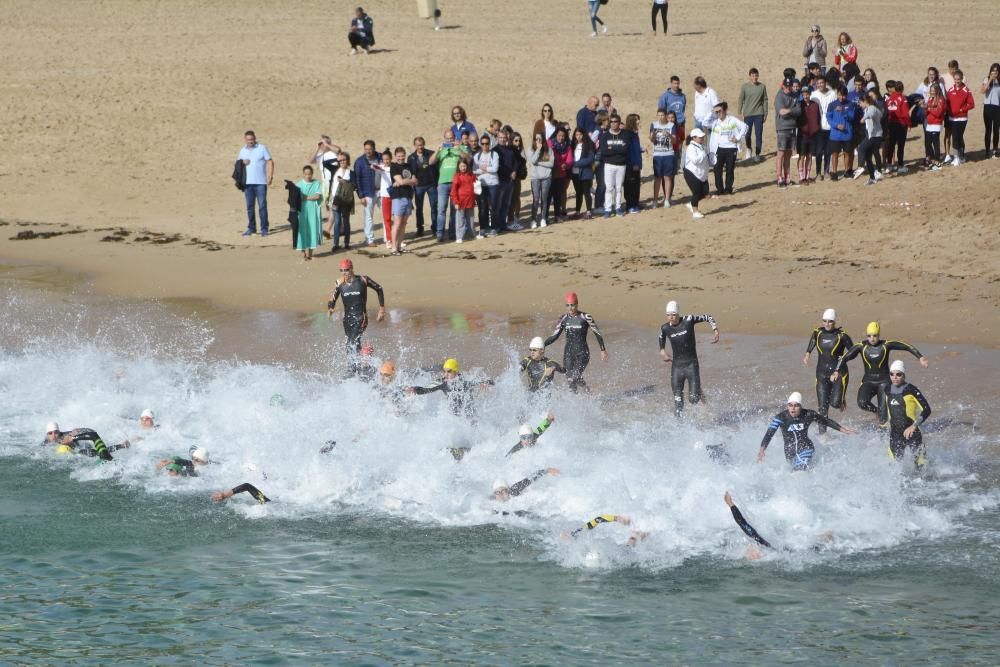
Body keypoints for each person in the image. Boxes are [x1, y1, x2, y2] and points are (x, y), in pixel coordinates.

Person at [831, 321, 929, 427]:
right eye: (869, 336)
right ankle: (876, 411)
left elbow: (906, 346)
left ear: (879, 335)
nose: (872, 338)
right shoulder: (861, 346)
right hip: (868, 381)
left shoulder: (885, 345)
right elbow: (844, 357)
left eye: (875, 336)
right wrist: (836, 371)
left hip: (884, 382)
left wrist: (920, 357)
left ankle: (884, 433)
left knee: (883, 419)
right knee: (862, 403)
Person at [757, 392, 857, 470]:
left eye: (796, 405)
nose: (793, 408)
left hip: (806, 449)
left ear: (800, 406)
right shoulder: (781, 417)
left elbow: (825, 420)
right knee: (798, 472)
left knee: (799, 471)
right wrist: (762, 450)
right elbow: (769, 433)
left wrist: (841, 428)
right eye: (790, 405)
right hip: (789, 454)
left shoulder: (808, 414)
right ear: (787, 406)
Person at [658, 300, 719, 418]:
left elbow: (708, 317)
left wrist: (715, 330)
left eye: (673, 314)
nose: (670, 317)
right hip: (677, 367)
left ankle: (699, 392)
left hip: (691, 365)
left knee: (693, 399)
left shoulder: (688, 320)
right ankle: (678, 429)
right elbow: (661, 337)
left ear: (678, 314)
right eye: (668, 315)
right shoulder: (665, 328)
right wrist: (662, 351)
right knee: (678, 404)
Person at [544, 292, 607, 392]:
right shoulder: (563, 319)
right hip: (568, 354)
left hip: (582, 353)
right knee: (570, 379)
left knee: (575, 376)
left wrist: (602, 350)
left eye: (572, 305)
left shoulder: (586, 317)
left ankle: (586, 388)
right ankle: (574, 401)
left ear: (577, 304)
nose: (570, 308)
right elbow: (555, 335)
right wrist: (543, 345)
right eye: (568, 305)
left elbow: (597, 332)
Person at [803, 308, 853, 433]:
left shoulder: (842, 336)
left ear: (835, 322)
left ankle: (840, 396)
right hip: (821, 374)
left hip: (839, 373)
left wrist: (842, 361)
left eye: (830, 321)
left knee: (835, 404)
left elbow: (853, 351)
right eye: (824, 321)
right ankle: (823, 435)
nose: (827, 324)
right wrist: (808, 353)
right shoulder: (818, 332)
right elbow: (813, 339)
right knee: (822, 409)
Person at [327, 258, 385, 353]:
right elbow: (333, 298)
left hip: (361, 318)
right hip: (347, 319)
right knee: (351, 345)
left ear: (352, 268)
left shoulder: (363, 280)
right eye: (341, 270)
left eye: (346, 270)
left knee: (352, 343)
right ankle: (363, 362)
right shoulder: (340, 284)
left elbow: (379, 288)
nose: (344, 273)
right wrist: (330, 308)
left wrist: (381, 310)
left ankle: (358, 364)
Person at [405, 358, 494, 417]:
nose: (446, 374)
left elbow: (490, 381)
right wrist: (414, 389)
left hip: (470, 415)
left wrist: (484, 383)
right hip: (455, 419)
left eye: (449, 371)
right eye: (444, 371)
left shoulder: (466, 380)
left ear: (455, 371)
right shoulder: (442, 382)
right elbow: (426, 389)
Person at [886, 360, 931, 468]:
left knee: (920, 467)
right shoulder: (887, 389)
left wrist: (914, 426)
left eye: (898, 374)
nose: (895, 377)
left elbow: (927, 409)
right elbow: (886, 409)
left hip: (913, 433)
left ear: (904, 375)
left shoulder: (911, 390)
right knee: (894, 468)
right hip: (895, 434)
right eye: (892, 374)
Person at [430, 129, 466, 242]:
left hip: (457, 183)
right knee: (441, 209)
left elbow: (468, 159)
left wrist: (459, 149)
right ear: (444, 138)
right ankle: (439, 234)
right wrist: (437, 150)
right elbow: (431, 162)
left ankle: (452, 233)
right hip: (443, 183)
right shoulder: (442, 149)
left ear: (455, 137)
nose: (449, 140)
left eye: (451, 138)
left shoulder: (460, 147)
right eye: (447, 138)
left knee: (454, 209)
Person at [705, 101, 747, 195]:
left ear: (725, 110)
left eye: (720, 111)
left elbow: (745, 127)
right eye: (717, 112)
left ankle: (728, 189)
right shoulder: (715, 122)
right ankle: (720, 189)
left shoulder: (732, 120)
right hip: (718, 148)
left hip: (731, 148)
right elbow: (705, 122)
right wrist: (712, 112)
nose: (718, 113)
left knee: (729, 169)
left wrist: (738, 138)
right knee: (717, 169)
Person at [238, 130, 273, 237]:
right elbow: (237, 164)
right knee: (250, 207)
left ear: (255, 138)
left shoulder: (262, 148)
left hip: (261, 183)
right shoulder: (242, 150)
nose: (250, 141)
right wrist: (242, 162)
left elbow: (270, 161)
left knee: (262, 205)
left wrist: (270, 175)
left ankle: (264, 228)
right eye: (248, 140)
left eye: (252, 139)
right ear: (245, 140)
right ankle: (252, 228)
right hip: (247, 183)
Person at [597, 115, 630, 217]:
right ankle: (607, 209)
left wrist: (612, 148)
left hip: (621, 165)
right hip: (609, 165)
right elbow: (604, 151)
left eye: (615, 121)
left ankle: (618, 207)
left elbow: (625, 150)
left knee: (619, 188)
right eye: (611, 121)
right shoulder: (604, 136)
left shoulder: (625, 135)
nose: (613, 123)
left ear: (619, 123)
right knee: (609, 188)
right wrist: (618, 148)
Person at [388, 147, 417, 255]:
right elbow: (400, 180)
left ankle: (400, 246)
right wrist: (406, 181)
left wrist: (405, 181)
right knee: (397, 223)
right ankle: (393, 247)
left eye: (402, 155)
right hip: (398, 197)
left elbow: (415, 181)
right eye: (398, 156)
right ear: (395, 156)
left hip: (408, 197)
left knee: (404, 223)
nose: (401, 158)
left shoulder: (408, 166)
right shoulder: (394, 167)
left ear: (405, 155)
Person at [407, 137, 438, 238]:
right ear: (414, 145)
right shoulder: (411, 157)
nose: (419, 147)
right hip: (418, 186)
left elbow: (436, 166)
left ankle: (435, 228)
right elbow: (409, 171)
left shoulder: (430, 153)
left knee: (434, 207)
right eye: (417, 145)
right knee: (419, 208)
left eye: (421, 145)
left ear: (424, 144)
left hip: (431, 185)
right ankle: (420, 229)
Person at [774, 78, 802, 188]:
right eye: (787, 86)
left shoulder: (794, 95)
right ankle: (779, 177)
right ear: (783, 86)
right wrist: (792, 110)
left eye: (790, 86)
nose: (788, 88)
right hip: (782, 128)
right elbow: (781, 112)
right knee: (781, 153)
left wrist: (789, 110)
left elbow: (799, 111)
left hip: (792, 127)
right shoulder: (779, 96)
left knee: (789, 154)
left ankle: (787, 177)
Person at [826, 87, 858, 180]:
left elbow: (852, 118)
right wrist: (836, 125)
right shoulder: (832, 105)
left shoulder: (851, 104)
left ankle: (847, 171)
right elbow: (829, 118)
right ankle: (835, 173)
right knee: (835, 153)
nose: (841, 97)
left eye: (843, 95)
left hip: (847, 134)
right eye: (840, 95)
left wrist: (844, 111)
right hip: (835, 134)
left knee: (847, 153)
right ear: (837, 94)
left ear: (846, 95)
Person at [737, 68, 768, 162]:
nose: (754, 77)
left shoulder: (762, 86)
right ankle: (749, 149)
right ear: (750, 76)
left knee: (758, 134)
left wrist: (765, 113)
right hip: (748, 114)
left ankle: (757, 154)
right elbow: (741, 99)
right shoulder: (745, 87)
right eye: (753, 75)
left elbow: (765, 100)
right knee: (747, 134)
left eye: (756, 75)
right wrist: (739, 112)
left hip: (759, 113)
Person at [649, 108, 679, 207]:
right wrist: (653, 136)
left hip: (668, 154)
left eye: (662, 115)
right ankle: (655, 200)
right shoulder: (654, 125)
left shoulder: (671, 126)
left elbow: (674, 141)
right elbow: (652, 140)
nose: (661, 117)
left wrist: (669, 135)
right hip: (657, 155)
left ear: (665, 115)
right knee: (657, 178)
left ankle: (666, 199)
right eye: (659, 115)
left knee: (667, 177)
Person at [43, 422, 117, 460]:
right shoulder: (46, 442)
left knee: (91, 452)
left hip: (79, 448)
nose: (53, 435)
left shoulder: (65, 436)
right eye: (50, 433)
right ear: (47, 434)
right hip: (70, 453)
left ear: (59, 432)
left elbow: (91, 431)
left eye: (56, 432)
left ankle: (120, 446)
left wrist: (78, 431)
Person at [946, 70, 975, 166]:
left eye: (958, 79)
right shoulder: (950, 90)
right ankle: (960, 157)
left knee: (957, 137)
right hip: (952, 118)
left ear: (961, 79)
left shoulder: (966, 90)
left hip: (962, 119)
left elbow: (971, 104)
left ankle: (957, 158)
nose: (957, 81)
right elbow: (947, 103)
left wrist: (962, 109)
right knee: (956, 137)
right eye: (955, 79)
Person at [810, 77, 837, 179]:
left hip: (830, 126)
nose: (820, 85)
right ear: (816, 84)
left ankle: (826, 171)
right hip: (819, 126)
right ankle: (818, 172)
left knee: (828, 151)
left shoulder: (832, 94)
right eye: (818, 83)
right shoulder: (814, 95)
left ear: (825, 83)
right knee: (818, 151)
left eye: (822, 83)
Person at [473, 135, 500, 237]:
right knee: (482, 207)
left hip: (493, 184)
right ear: (480, 144)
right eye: (483, 143)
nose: (485, 145)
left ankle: (494, 228)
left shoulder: (494, 154)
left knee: (493, 207)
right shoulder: (477, 156)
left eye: (487, 143)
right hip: (480, 184)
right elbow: (474, 171)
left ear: (490, 144)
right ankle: (483, 228)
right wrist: (488, 168)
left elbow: (495, 169)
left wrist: (484, 168)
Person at [855, 92, 884, 186]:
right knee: (868, 156)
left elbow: (871, 114)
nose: (859, 105)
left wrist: (864, 118)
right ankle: (872, 177)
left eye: (860, 103)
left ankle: (861, 166)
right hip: (873, 136)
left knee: (861, 147)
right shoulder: (869, 109)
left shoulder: (871, 108)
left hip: (875, 136)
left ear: (865, 101)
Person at [353, 140, 379, 247]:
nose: (368, 151)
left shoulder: (380, 158)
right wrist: (361, 195)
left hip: (382, 190)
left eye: (370, 149)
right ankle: (369, 239)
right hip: (368, 192)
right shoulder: (359, 162)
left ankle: (389, 238)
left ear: (374, 148)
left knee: (388, 214)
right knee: (369, 216)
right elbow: (357, 180)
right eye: (366, 149)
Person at [295, 165, 322, 261]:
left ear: (312, 174)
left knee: (312, 229)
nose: (308, 176)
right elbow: (296, 198)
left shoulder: (316, 183)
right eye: (306, 174)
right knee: (302, 230)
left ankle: (310, 252)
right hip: (301, 211)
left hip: (313, 210)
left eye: (309, 174)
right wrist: (309, 197)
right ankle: (303, 253)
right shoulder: (298, 185)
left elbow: (318, 196)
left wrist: (306, 198)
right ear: (303, 174)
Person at [884, 81, 912, 173]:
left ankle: (889, 165)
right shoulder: (903, 99)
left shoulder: (889, 98)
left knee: (891, 145)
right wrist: (909, 124)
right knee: (900, 146)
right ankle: (900, 165)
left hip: (891, 124)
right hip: (901, 124)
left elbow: (887, 111)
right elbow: (905, 114)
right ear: (902, 89)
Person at [682, 128, 710, 218]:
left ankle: (691, 203)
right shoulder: (691, 148)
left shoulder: (702, 146)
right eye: (700, 137)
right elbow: (695, 160)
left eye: (702, 137)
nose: (702, 138)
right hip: (691, 173)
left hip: (701, 174)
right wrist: (703, 154)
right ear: (694, 138)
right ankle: (695, 212)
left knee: (705, 192)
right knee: (697, 192)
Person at [548, 127, 574, 222]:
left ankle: (557, 215)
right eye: (559, 135)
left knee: (558, 196)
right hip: (550, 174)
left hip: (561, 174)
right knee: (548, 196)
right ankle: (545, 216)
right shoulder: (550, 143)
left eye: (563, 136)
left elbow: (570, 158)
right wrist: (560, 165)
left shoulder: (567, 145)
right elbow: (550, 157)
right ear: (556, 135)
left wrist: (566, 165)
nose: (561, 138)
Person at [330, 152, 354, 250]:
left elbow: (355, 185)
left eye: (344, 160)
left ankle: (347, 243)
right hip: (335, 200)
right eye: (340, 160)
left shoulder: (351, 173)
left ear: (348, 161)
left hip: (346, 201)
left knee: (346, 221)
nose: (342, 162)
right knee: (337, 221)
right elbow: (325, 163)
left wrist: (345, 182)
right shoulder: (335, 170)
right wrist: (337, 158)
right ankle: (335, 244)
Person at [570, 128, 596, 219]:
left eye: (580, 134)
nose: (578, 137)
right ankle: (577, 212)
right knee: (578, 193)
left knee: (586, 192)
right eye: (576, 135)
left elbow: (590, 159)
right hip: (575, 173)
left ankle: (589, 212)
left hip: (585, 172)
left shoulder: (589, 144)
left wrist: (576, 163)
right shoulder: (573, 145)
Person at [796, 86, 820, 184]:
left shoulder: (815, 105)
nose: (805, 96)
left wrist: (816, 128)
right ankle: (802, 177)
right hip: (802, 134)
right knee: (802, 156)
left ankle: (807, 175)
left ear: (810, 94)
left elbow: (818, 117)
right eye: (804, 94)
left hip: (812, 134)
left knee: (809, 155)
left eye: (807, 94)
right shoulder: (799, 105)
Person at [529, 133, 554, 228]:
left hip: (546, 177)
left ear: (543, 140)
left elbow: (551, 164)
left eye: (540, 139)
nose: (538, 141)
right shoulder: (531, 150)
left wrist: (541, 163)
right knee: (535, 199)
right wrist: (538, 149)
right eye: (536, 139)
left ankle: (543, 218)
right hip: (535, 178)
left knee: (544, 198)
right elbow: (533, 161)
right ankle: (533, 219)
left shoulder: (549, 150)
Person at [450, 158, 477, 242]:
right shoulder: (457, 176)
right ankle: (459, 236)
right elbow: (453, 191)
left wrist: (475, 198)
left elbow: (475, 187)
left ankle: (472, 235)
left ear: (467, 166)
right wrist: (456, 202)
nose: (463, 168)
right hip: (460, 201)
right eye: (461, 166)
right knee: (460, 219)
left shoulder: (471, 175)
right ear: (458, 167)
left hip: (470, 200)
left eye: (464, 166)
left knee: (471, 219)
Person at [492, 468, 559, 502]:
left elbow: (530, 478)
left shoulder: (515, 490)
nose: (501, 494)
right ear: (494, 494)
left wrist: (547, 470)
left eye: (503, 490)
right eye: (497, 492)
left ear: (508, 490)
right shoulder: (492, 500)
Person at [623, 114, 644, 213]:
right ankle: (630, 205)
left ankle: (635, 203)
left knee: (636, 185)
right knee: (630, 186)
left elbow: (635, 149)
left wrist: (641, 150)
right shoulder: (627, 134)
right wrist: (632, 164)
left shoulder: (635, 134)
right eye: (637, 120)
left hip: (637, 164)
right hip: (630, 165)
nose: (639, 122)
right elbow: (628, 151)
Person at [923, 85, 947, 170]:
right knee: (927, 143)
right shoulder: (930, 99)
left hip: (936, 124)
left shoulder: (940, 99)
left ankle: (937, 162)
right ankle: (933, 160)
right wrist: (925, 108)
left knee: (935, 143)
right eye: (931, 90)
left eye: (933, 90)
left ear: (937, 91)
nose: (932, 92)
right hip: (929, 124)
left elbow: (938, 113)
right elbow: (927, 112)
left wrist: (929, 109)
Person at [982, 63, 1000, 159]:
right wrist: (990, 80)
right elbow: (983, 90)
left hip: (997, 108)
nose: (994, 73)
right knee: (988, 130)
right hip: (988, 107)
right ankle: (987, 151)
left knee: (996, 130)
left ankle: (995, 150)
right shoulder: (986, 79)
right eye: (993, 70)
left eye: (996, 71)